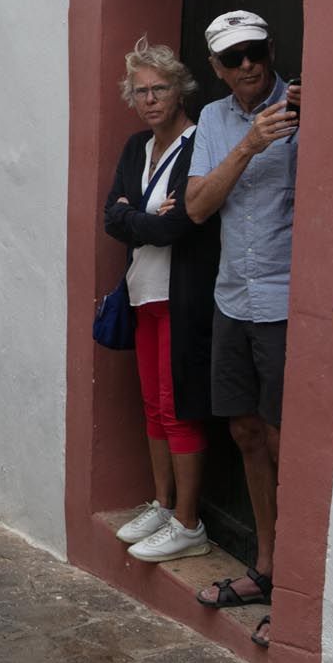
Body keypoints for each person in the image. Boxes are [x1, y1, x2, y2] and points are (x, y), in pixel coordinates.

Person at [180, 10, 301, 649]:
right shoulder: (215, 124)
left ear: (271, 50)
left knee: (285, 439)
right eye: (235, 58)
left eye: (256, 51)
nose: (249, 65)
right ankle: (268, 566)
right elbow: (197, 206)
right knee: (246, 432)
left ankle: (300, 588)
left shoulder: (303, 106)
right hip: (234, 297)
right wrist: (250, 144)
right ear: (217, 69)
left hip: (285, 300)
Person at [102, 38, 221, 561]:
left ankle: (189, 525)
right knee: (152, 407)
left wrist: (140, 219)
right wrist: (139, 219)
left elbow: (180, 225)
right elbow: (112, 216)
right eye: (140, 91)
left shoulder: (197, 145)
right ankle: (164, 503)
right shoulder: (135, 148)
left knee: (178, 409)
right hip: (142, 292)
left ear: (180, 90)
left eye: (160, 89)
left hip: (181, 295)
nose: (150, 99)